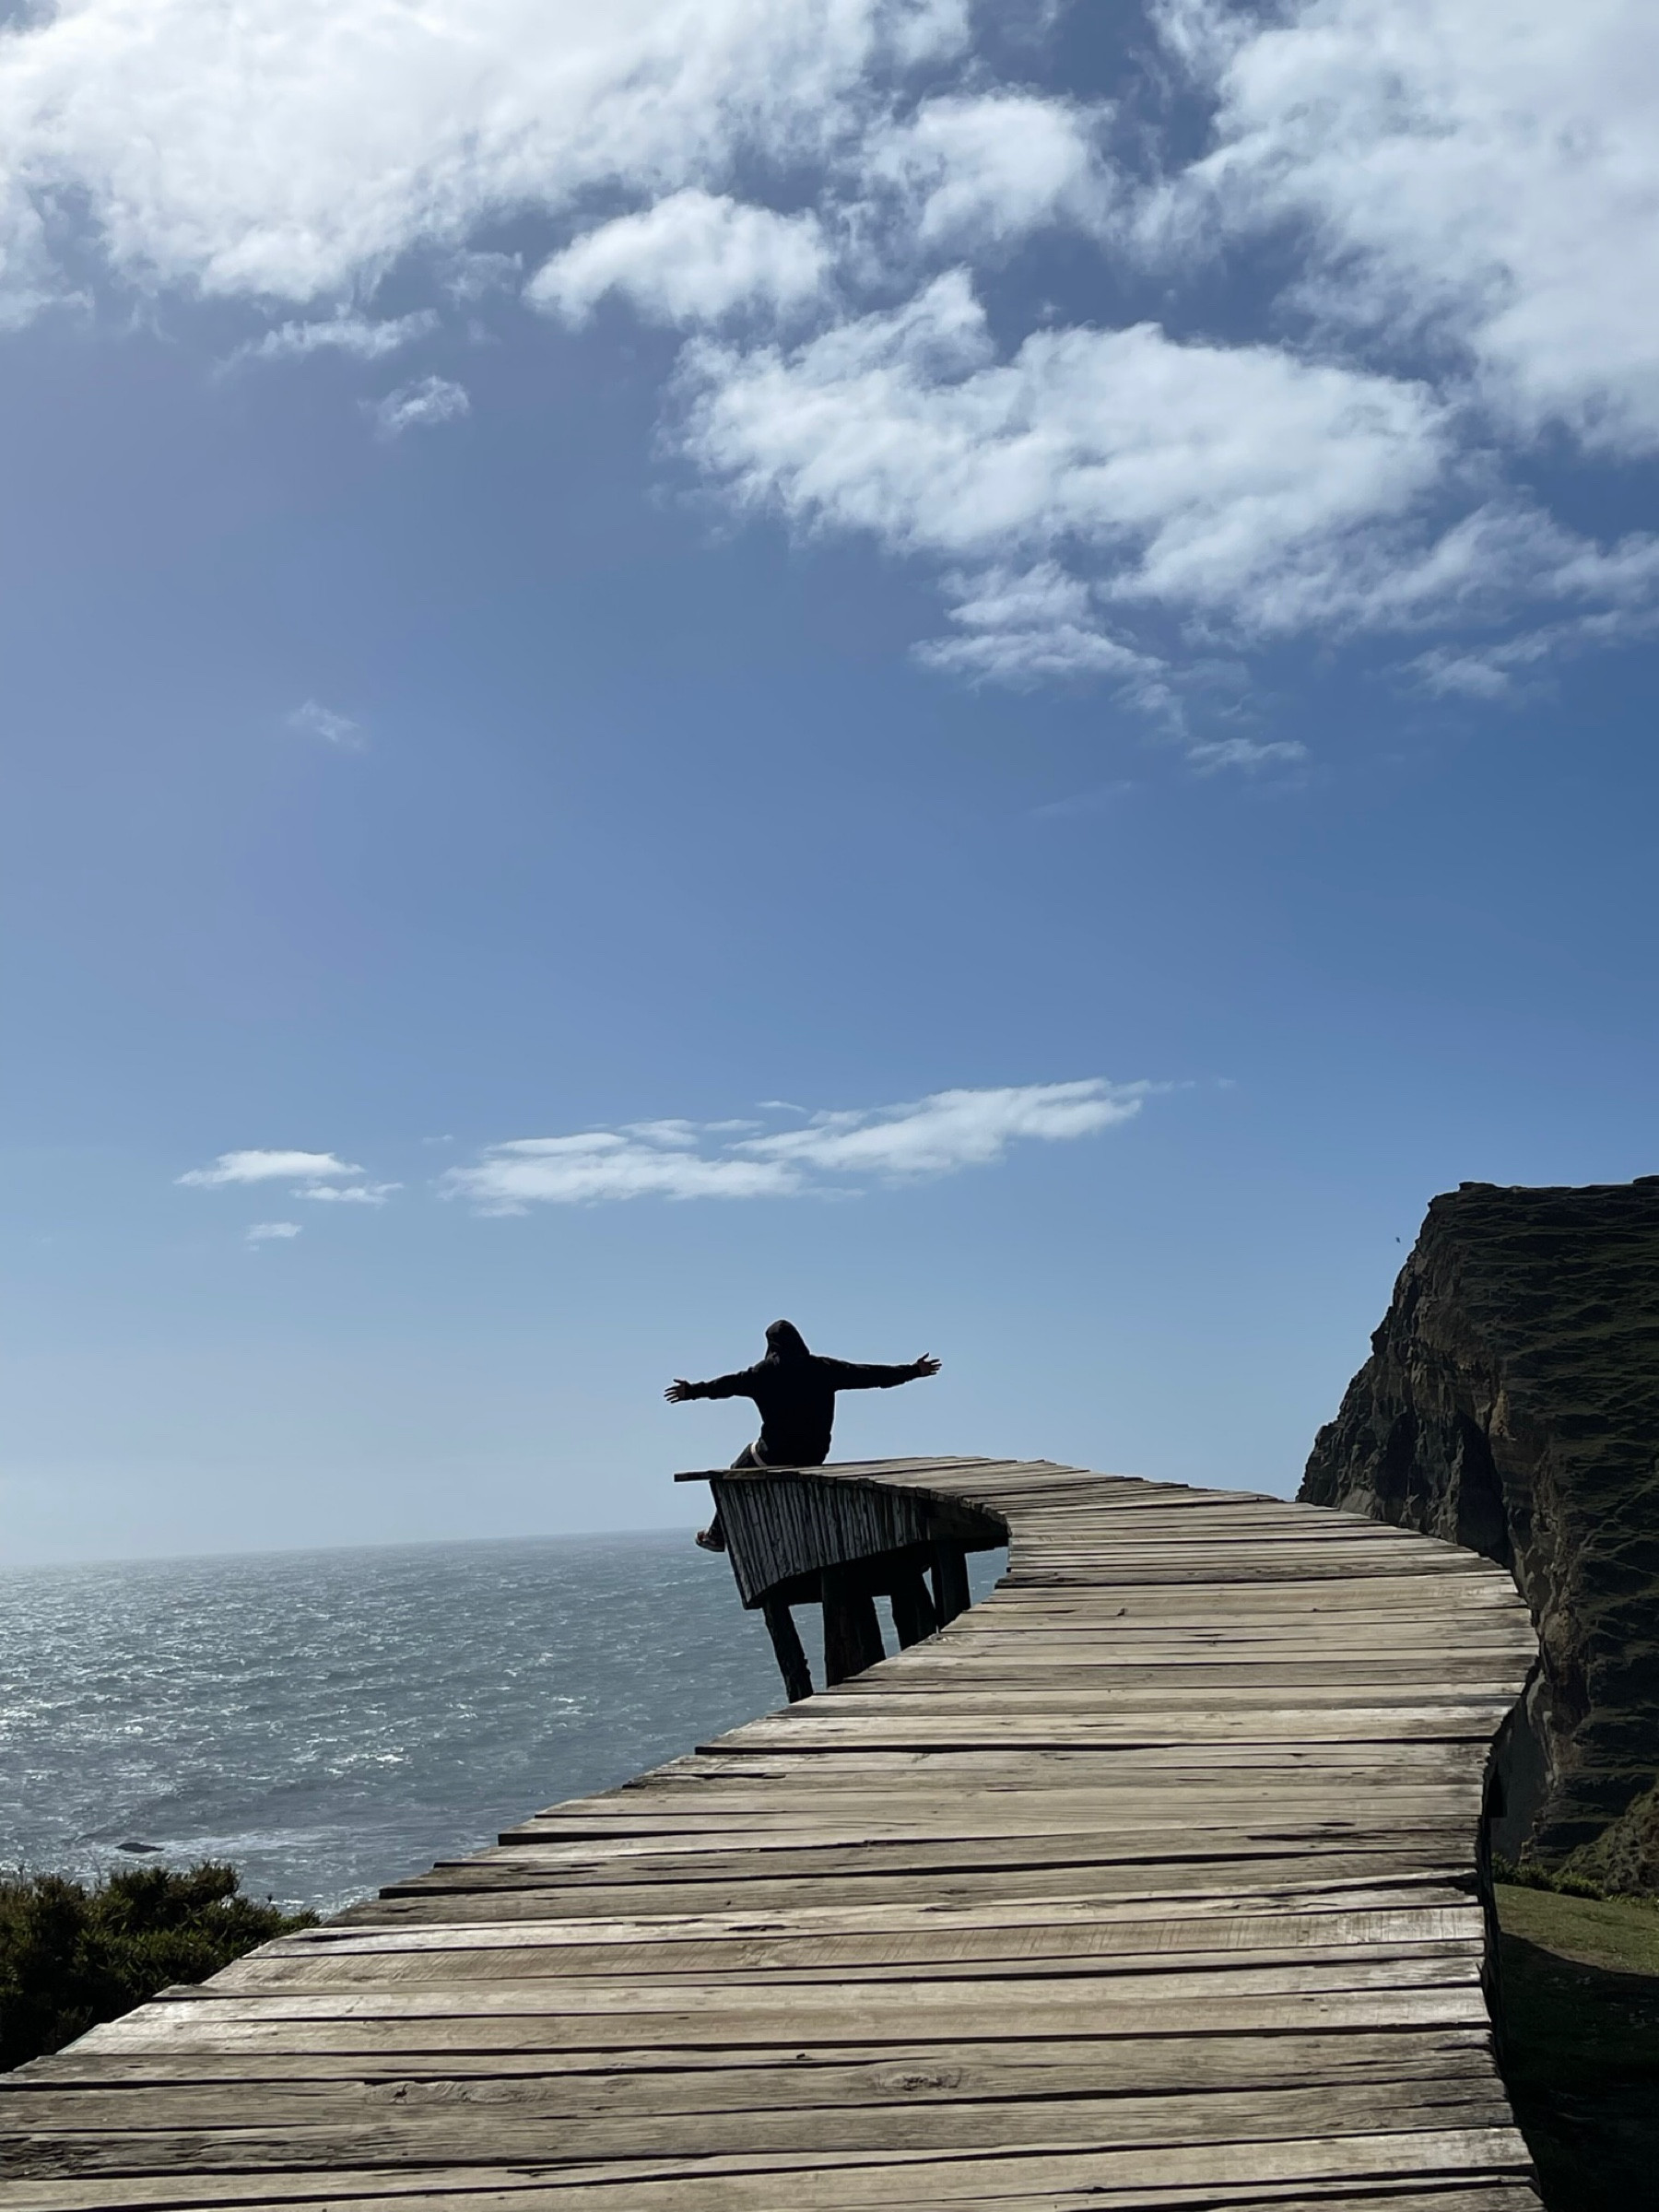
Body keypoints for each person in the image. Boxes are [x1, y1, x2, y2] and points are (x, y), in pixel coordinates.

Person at [666, 1319, 941, 1550]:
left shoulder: (763, 1372)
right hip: (814, 1453)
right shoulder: (823, 1368)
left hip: (775, 1453)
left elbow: (726, 1386)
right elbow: (870, 1375)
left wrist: (692, 1391)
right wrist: (913, 1371)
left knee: (736, 1471)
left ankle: (717, 1535)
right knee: (757, 1466)